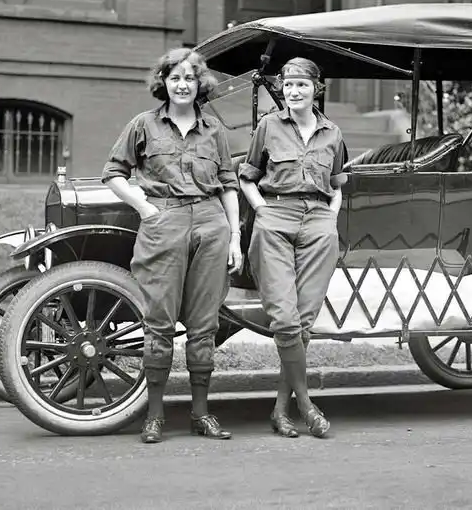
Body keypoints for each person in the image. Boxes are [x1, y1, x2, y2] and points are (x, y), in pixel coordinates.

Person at [102, 48, 243, 444]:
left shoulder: (213, 129)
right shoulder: (143, 125)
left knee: (204, 324)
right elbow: (113, 173)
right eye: (175, 77)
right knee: (159, 323)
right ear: (163, 82)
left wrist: (234, 237)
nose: (183, 85)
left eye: (190, 78)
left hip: (211, 223)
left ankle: (201, 414)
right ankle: (155, 416)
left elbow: (228, 185)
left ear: (200, 85)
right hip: (163, 222)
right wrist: (145, 209)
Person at [238, 57, 346, 439]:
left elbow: (337, 185)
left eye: (301, 84)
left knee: (302, 325)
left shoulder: (333, 133)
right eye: (288, 85)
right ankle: (306, 405)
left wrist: (330, 217)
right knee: (284, 320)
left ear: (317, 88)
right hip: (275, 220)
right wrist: (262, 211)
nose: (294, 91)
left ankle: (280, 411)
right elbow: (247, 177)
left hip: (318, 225)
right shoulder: (268, 126)